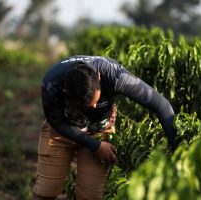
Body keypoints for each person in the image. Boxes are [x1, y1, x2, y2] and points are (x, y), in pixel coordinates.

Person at [33, 55, 176, 200]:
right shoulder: (52, 83)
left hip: (98, 130)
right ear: (67, 93)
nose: (94, 106)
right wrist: (94, 145)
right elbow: (56, 122)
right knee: (45, 192)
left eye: (96, 100)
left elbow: (161, 105)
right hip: (61, 132)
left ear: (99, 77)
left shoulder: (115, 75)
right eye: (87, 105)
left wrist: (176, 149)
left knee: (89, 196)